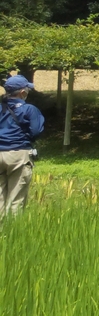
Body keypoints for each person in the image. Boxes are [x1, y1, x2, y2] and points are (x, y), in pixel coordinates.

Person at [0, 75, 43, 216]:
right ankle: (12, 233)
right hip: (19, 154)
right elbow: (36, 131)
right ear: (22, 93)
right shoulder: (29, 109)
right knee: (16, 199)